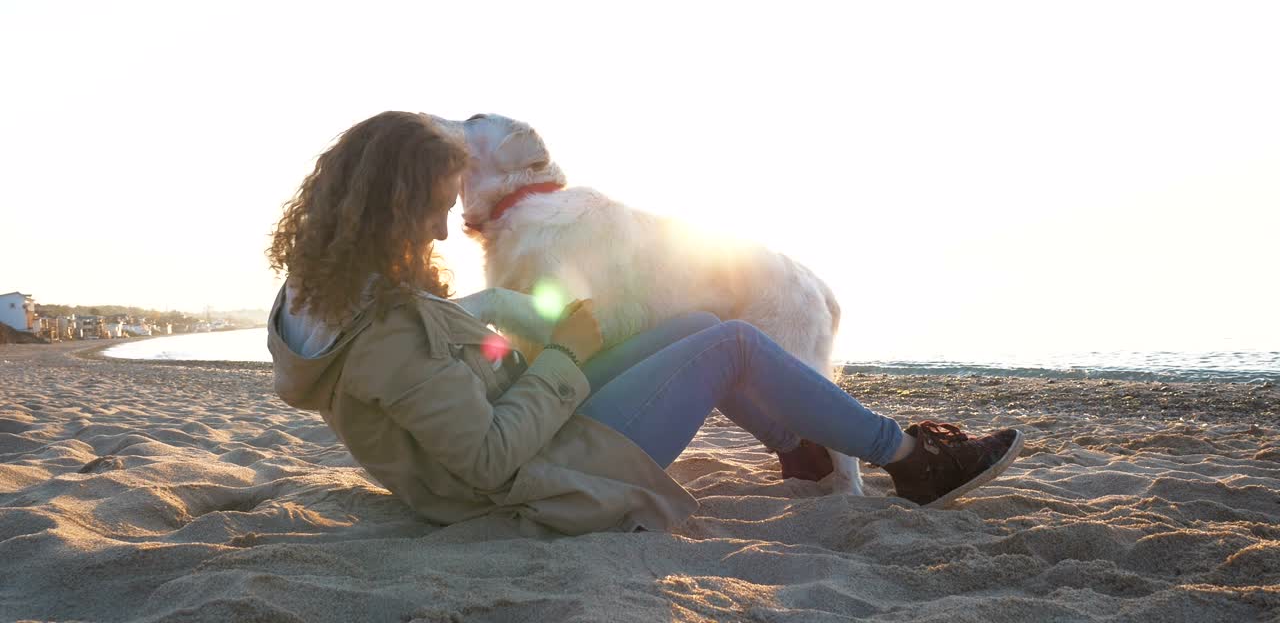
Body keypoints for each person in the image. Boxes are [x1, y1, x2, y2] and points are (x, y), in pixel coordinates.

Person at [266, 111, 1024, 536]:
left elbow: (447, 365)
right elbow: (491, 460)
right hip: (541, 478)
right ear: (392, 204)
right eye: (435, 204)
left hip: (520, 427)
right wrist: (563, 355)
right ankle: (910, 459)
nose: (441, 229)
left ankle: (806, 453)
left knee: (697, 319)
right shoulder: (386, 332)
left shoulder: (337, 299)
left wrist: (504, 318)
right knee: (728, 342)